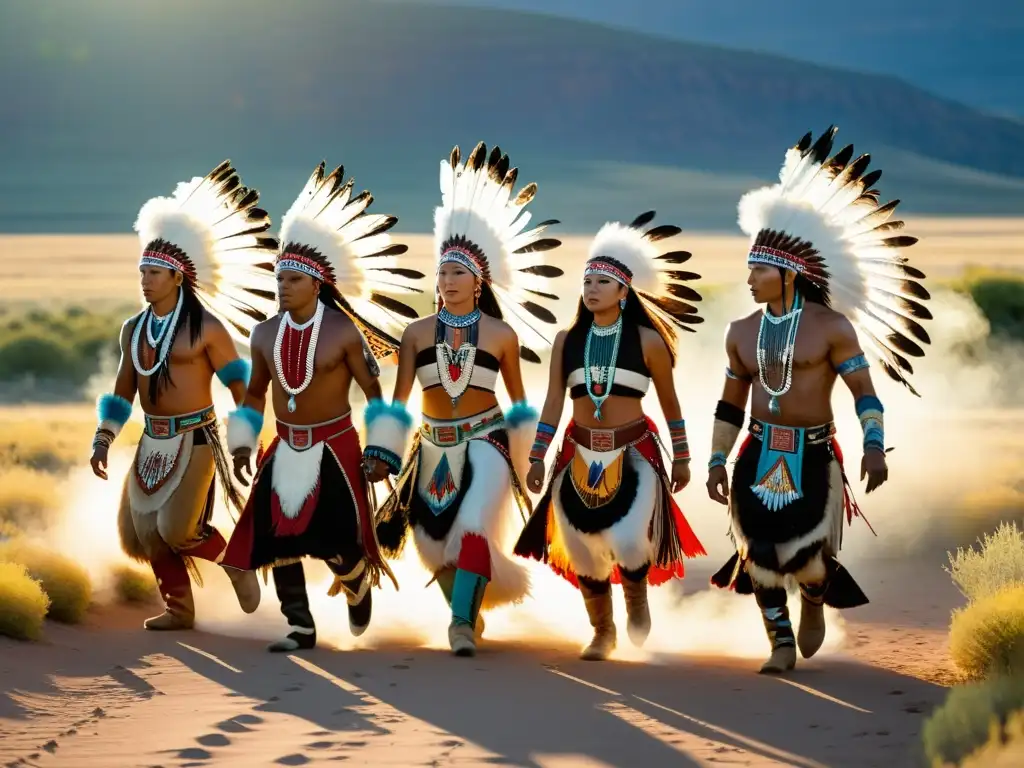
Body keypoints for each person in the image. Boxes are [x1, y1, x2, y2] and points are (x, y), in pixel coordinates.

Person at [705, 126, 932, 674]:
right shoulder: (740, 331)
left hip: (813, 456)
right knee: (757, 557)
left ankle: (813, 597)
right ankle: (779, 644)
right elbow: (729, 404)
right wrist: (716, 459)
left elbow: (864, 394)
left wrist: (873, 447)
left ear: (789, 274)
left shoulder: (833, 328)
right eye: (749, 269)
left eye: (760, 270)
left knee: (807, 561)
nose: (751, 279)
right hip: (756, 453)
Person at [362, 141, 563, 657]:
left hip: (488, 443)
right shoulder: (414, 333)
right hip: (431, 447)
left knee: (472, 529)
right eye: (442, 273)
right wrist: (383, 450)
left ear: (479, 283)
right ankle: (470, 612)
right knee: (432, 548)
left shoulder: (500, 336)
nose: (447, 282)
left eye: (458, 274)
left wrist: (530, 455)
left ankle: (459, 627)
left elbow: (520, 405)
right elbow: (398, 399)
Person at [221, 160, 426, 653]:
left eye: (292, 280)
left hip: (336, 444)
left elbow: (375, 397)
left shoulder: (342, 333)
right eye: (279, 279)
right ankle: (300, 627)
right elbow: (253, 393)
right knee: (275, 541)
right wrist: (246, 442)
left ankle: (355, 580)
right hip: (283, 445)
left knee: (338, 537)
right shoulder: (264, 334)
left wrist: (382, 452)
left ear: (317, 285)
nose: (282, 286)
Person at [90, 160, 280, 631]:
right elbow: (122, 389)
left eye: (156, 271)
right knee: (140, 534)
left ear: (178, 277)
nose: (146, 278)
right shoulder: (133, 330)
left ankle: (236, 562)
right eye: (143, 270)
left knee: (176, 529)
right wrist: (103, 437)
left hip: (197, 440)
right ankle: (178, 609)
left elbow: (243, 386)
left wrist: (243, 440)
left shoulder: (207, 330)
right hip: (152, 441)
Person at [514, 211, 708, 661]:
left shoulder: (648, 342)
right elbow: (553, 403)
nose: (592, 288)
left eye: (603, 282)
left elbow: (670, 403)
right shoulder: (567, 340)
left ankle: (636, 601)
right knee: (580, 548)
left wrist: (682, 457)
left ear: (624, 292)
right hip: (577, 453)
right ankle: (603, 631)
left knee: (626, 541)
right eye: (587, 281)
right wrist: (539, 456)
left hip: (634, 452)